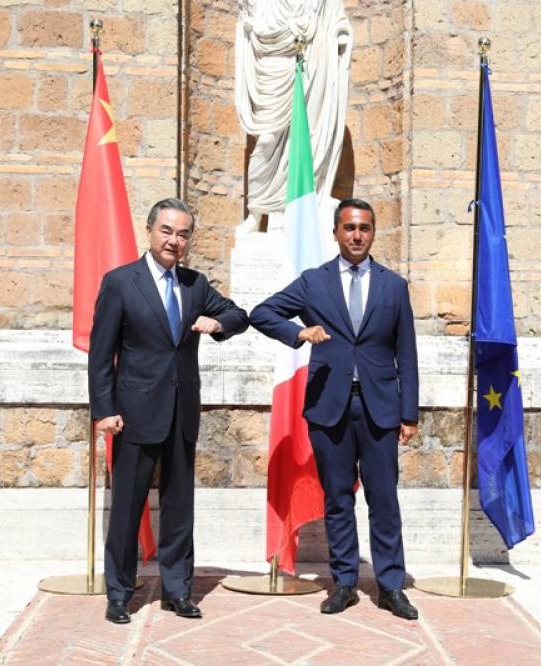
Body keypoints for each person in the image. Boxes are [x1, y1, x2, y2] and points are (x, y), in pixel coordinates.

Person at [250, 198, 420, 620]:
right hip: (330, 408)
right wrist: (298, 332)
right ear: (336, 232)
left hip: (380, 408)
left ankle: (391, 586)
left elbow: (407, 353)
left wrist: (409, 412)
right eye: (349, 228)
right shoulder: (314, 282)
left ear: (373, 233)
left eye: (364, 228)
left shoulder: (393, 285)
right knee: (338, 499)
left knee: (384, 499)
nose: (357, 235)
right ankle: (344, 582)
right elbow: (262, 313)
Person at [88, 198, 249, 624]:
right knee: (127, 508)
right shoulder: (122, 282)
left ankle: (178, 590)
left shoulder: (196, 285)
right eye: (167, 231)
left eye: (182, 234)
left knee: (180, 508)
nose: (174, 241)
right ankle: (120, 592)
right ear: (150, 231)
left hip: (182, 413)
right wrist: (103, 410)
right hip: (134, 415)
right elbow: (101, 355)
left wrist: (219, 325)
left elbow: (238, 315)